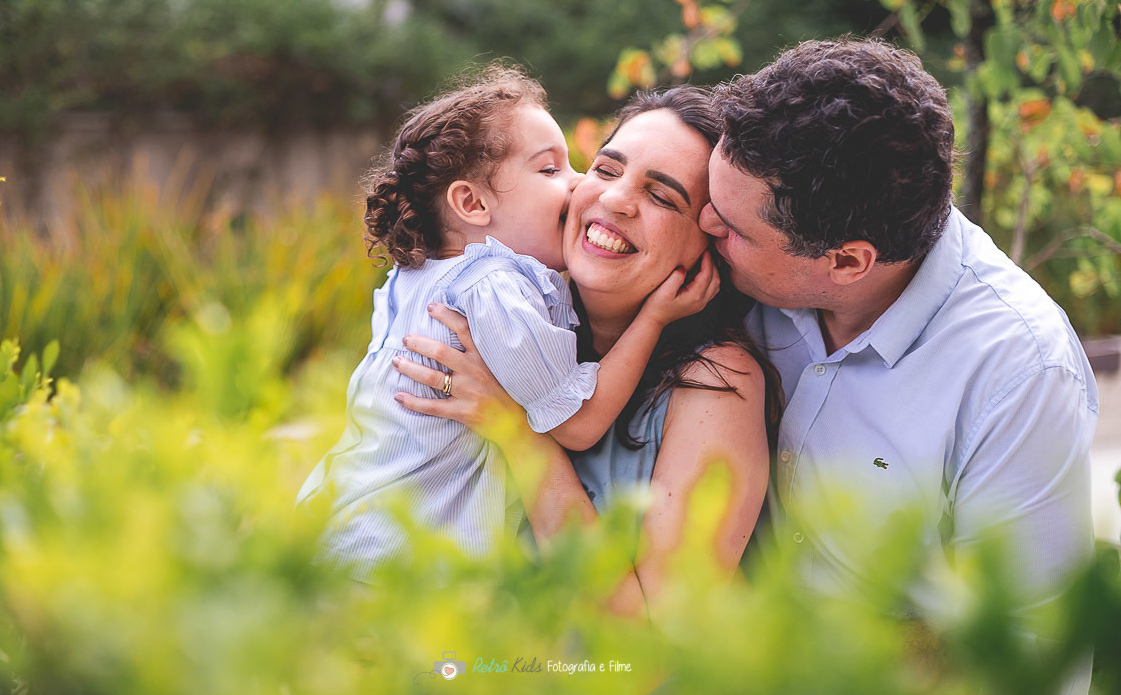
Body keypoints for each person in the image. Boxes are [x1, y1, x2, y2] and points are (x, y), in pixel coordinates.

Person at [700, 38, 1097, 638]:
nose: (704, 224)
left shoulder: (1019, 371)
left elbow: (1022, 649)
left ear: (847, 262)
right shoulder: (734, 275)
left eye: (732, 228)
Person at [296, 66, 718, 583]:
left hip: (354, 535)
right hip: (403, 566)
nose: (582, 185)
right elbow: (579, 424)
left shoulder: (422, 280)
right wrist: (653, 317)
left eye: (662, 196)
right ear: (472, 203)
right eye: (551, 171)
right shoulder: (495, 288)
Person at [393, 87, 779, 614]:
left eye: (663, 196)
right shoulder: (501, 322)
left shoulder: (717, 381)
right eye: (605, 169)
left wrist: (520, 438)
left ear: (707, 242)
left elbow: (655, 646)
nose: (616, 199)